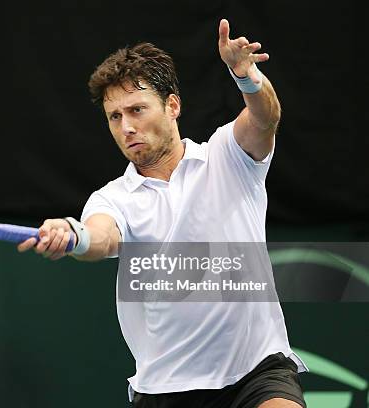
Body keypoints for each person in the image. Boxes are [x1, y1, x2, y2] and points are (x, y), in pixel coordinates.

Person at [18, 19, 307, 408]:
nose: (126, 127)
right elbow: (100, 237)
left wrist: (247, 76)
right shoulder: (112, 198)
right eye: (115, 117)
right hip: (166, 390)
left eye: (137, 110)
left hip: (257, 372)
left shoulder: (227, 155)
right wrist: (74, 234)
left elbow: (264, 118)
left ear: (173, 106)